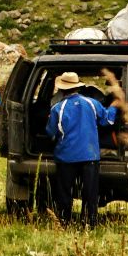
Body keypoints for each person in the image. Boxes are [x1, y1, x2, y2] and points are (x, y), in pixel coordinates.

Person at [46, 71, 119, 226]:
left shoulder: (57, 108)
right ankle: (89, 222)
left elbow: (51, 132)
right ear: (77, 87)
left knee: (65, 191)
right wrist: (114, 106)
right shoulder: (92, 103)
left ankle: (64, 221)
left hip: (66, 156)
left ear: (62, 90)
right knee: (90, 193)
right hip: (89, 155)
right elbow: (108, 121)